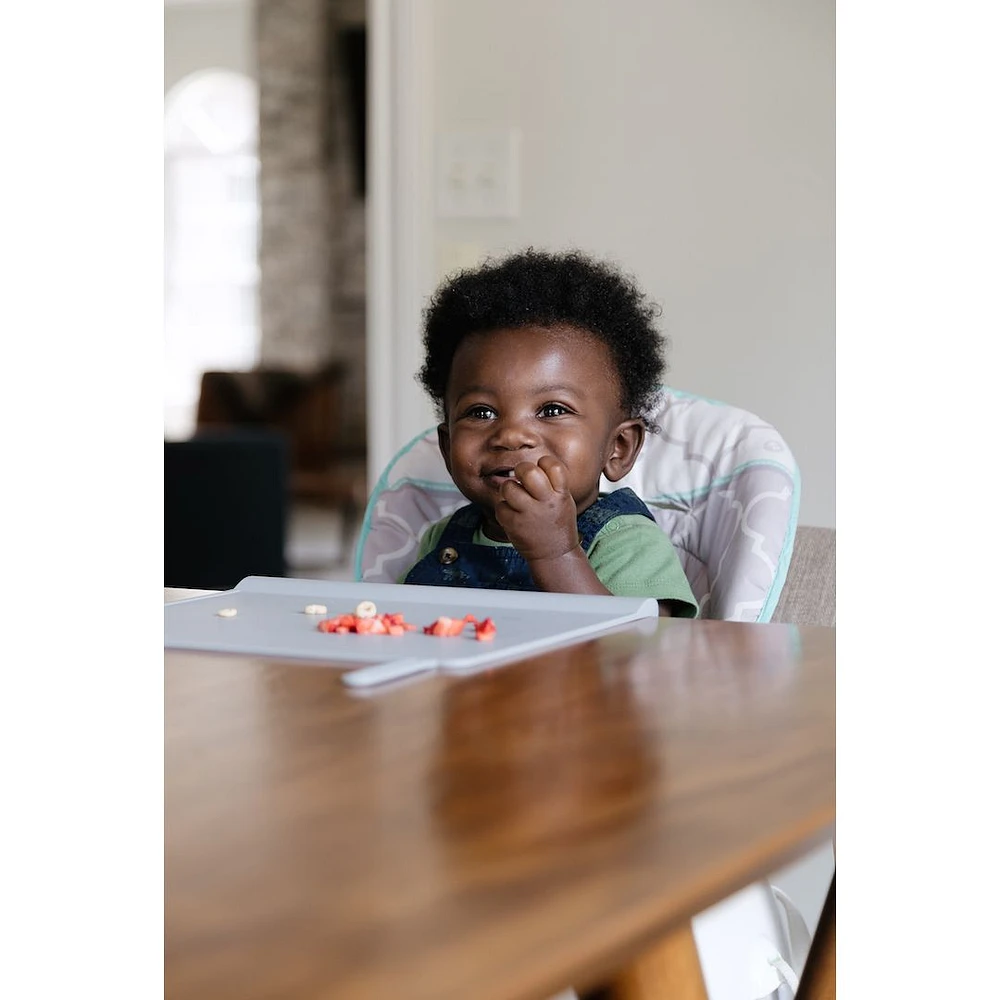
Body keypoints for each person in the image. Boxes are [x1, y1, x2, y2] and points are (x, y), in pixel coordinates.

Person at [399, 248, 699, 618]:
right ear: (447, 448)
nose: (511, 435)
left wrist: (556, 554)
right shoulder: (442, 539)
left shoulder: (627, 541)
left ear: (618, 448)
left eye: (552, 410)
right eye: (481, 412)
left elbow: (638, 652)